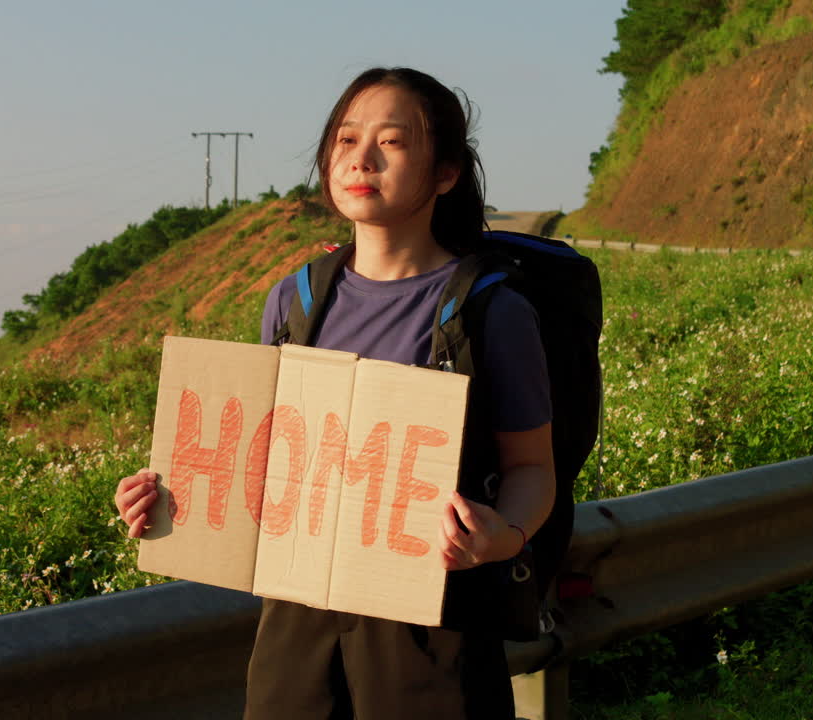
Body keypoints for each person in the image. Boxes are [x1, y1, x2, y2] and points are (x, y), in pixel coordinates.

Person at [115, 67, 555, 719]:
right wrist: (170, 492)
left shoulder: (490, 311)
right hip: (296, 626)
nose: (360, 158)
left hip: (432, 634)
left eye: (393, 142)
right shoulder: (295, 300)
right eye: (346, 140)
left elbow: (532, 468)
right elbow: (261, 465)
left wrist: (503, 535)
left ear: (447, 173)